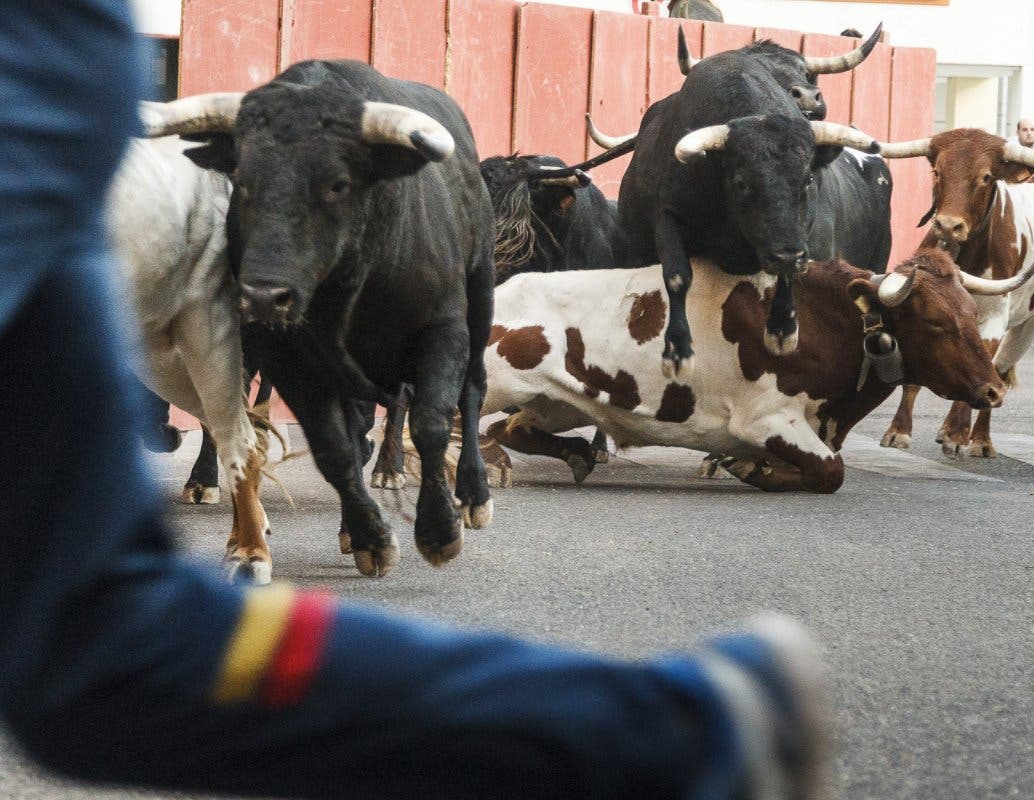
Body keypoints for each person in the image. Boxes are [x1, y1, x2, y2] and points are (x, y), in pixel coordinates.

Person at [0, 2, 832, 798]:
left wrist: (443, 432)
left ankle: (676, 727)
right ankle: (686, 730)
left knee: (97, 640)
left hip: (32, 88)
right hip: (59, 86)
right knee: (99, 649)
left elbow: (452, 324)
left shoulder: (425, 194)